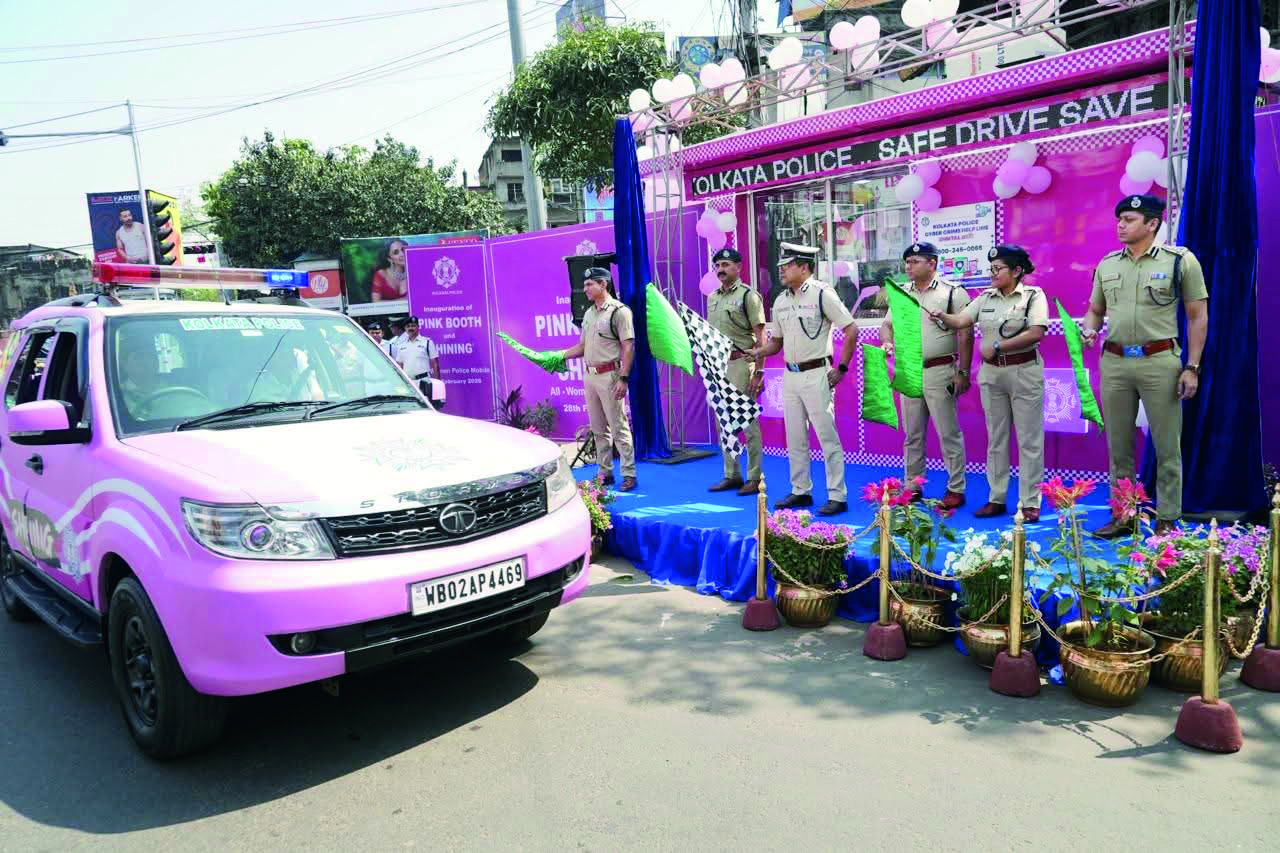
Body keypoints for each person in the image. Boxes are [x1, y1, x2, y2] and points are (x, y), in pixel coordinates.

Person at [1080, 194, 1208, 538]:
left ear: (1152, 224)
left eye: (1130, 220)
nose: (1120, 225)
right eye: (1119, 219)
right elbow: (1095, 309)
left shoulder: (1180, 261)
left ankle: (1167, 519)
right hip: (1115, 363)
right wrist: (1090, 329)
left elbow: (1198, 316)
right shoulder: (1108, 264)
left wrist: (1192, 366)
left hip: (1160, 362)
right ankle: (1124, 515)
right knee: (1118, 447)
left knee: (1167, 446)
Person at [932, 245, 1047, 522]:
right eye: (991, 268)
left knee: (1029, 440)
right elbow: (962, 320)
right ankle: (996, 498)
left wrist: (997, 346)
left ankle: (1030, 502)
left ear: (1016, 271)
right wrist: (943, 316)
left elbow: (1036, 332)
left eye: (998, 269)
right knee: (996, 438)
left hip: (1024, 371)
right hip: (992, 374)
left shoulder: (1033, 296)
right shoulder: (985, 297)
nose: (992, 273)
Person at [754, 242, 857, 516]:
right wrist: (758, 351)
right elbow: (776, 343)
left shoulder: (823, 294)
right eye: (781, 266)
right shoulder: (780, 300)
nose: (782, 270)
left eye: (787, 265)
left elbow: (851, 329)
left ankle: (837, 495)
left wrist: (842, 368)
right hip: (790, 375)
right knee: (795, 437)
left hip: (817, 374)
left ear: (804, 267)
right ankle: (801, 491)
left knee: (827, 437)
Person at [881, 242, 972, 509]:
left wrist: (963, 372)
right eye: (907, 262)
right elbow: (887, 325)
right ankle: (912, 486)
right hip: (910, 372)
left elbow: (966, 333)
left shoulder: (952, 292)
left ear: (932, 263)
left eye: (915, 261)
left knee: (948, 433)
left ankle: (956, 489)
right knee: (912, 435)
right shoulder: (900, 293)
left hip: (940, 370)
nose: (908, 266)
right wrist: (887, 341)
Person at [560, 267, 637, 491]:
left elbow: (628, 346)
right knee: (598, 428)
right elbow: (582, 347)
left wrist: (623, 378)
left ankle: (629, 474)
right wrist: (558, 356)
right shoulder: (589, 313)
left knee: (618, 426)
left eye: (589, 284)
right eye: (584, 285)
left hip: (610, 375)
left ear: (603, 284)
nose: (585, 289)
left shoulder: (620, 311)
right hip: (590, 376)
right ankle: (605, 473)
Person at [705, 247, 766, 496]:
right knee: (724, 422)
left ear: (738, 267)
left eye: (726, 265)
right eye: (718, 265)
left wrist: (759, 371)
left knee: (747, 422)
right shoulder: (712, 297)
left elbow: (761, 336)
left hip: (741, 363)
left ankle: (754, 477)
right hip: (717, 365)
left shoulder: (749, 296)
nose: (721, 269)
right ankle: (731, 475)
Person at [395, 317, 441, 401]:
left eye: (413, 326)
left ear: (418, 327)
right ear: (405, 328)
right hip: (408, 383)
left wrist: (436, 384)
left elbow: (435, 364)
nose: (410, 328)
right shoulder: (401, 345)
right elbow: (400, 366)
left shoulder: (427, 342)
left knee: (426, 406)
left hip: (423, 381)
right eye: (408, 326)